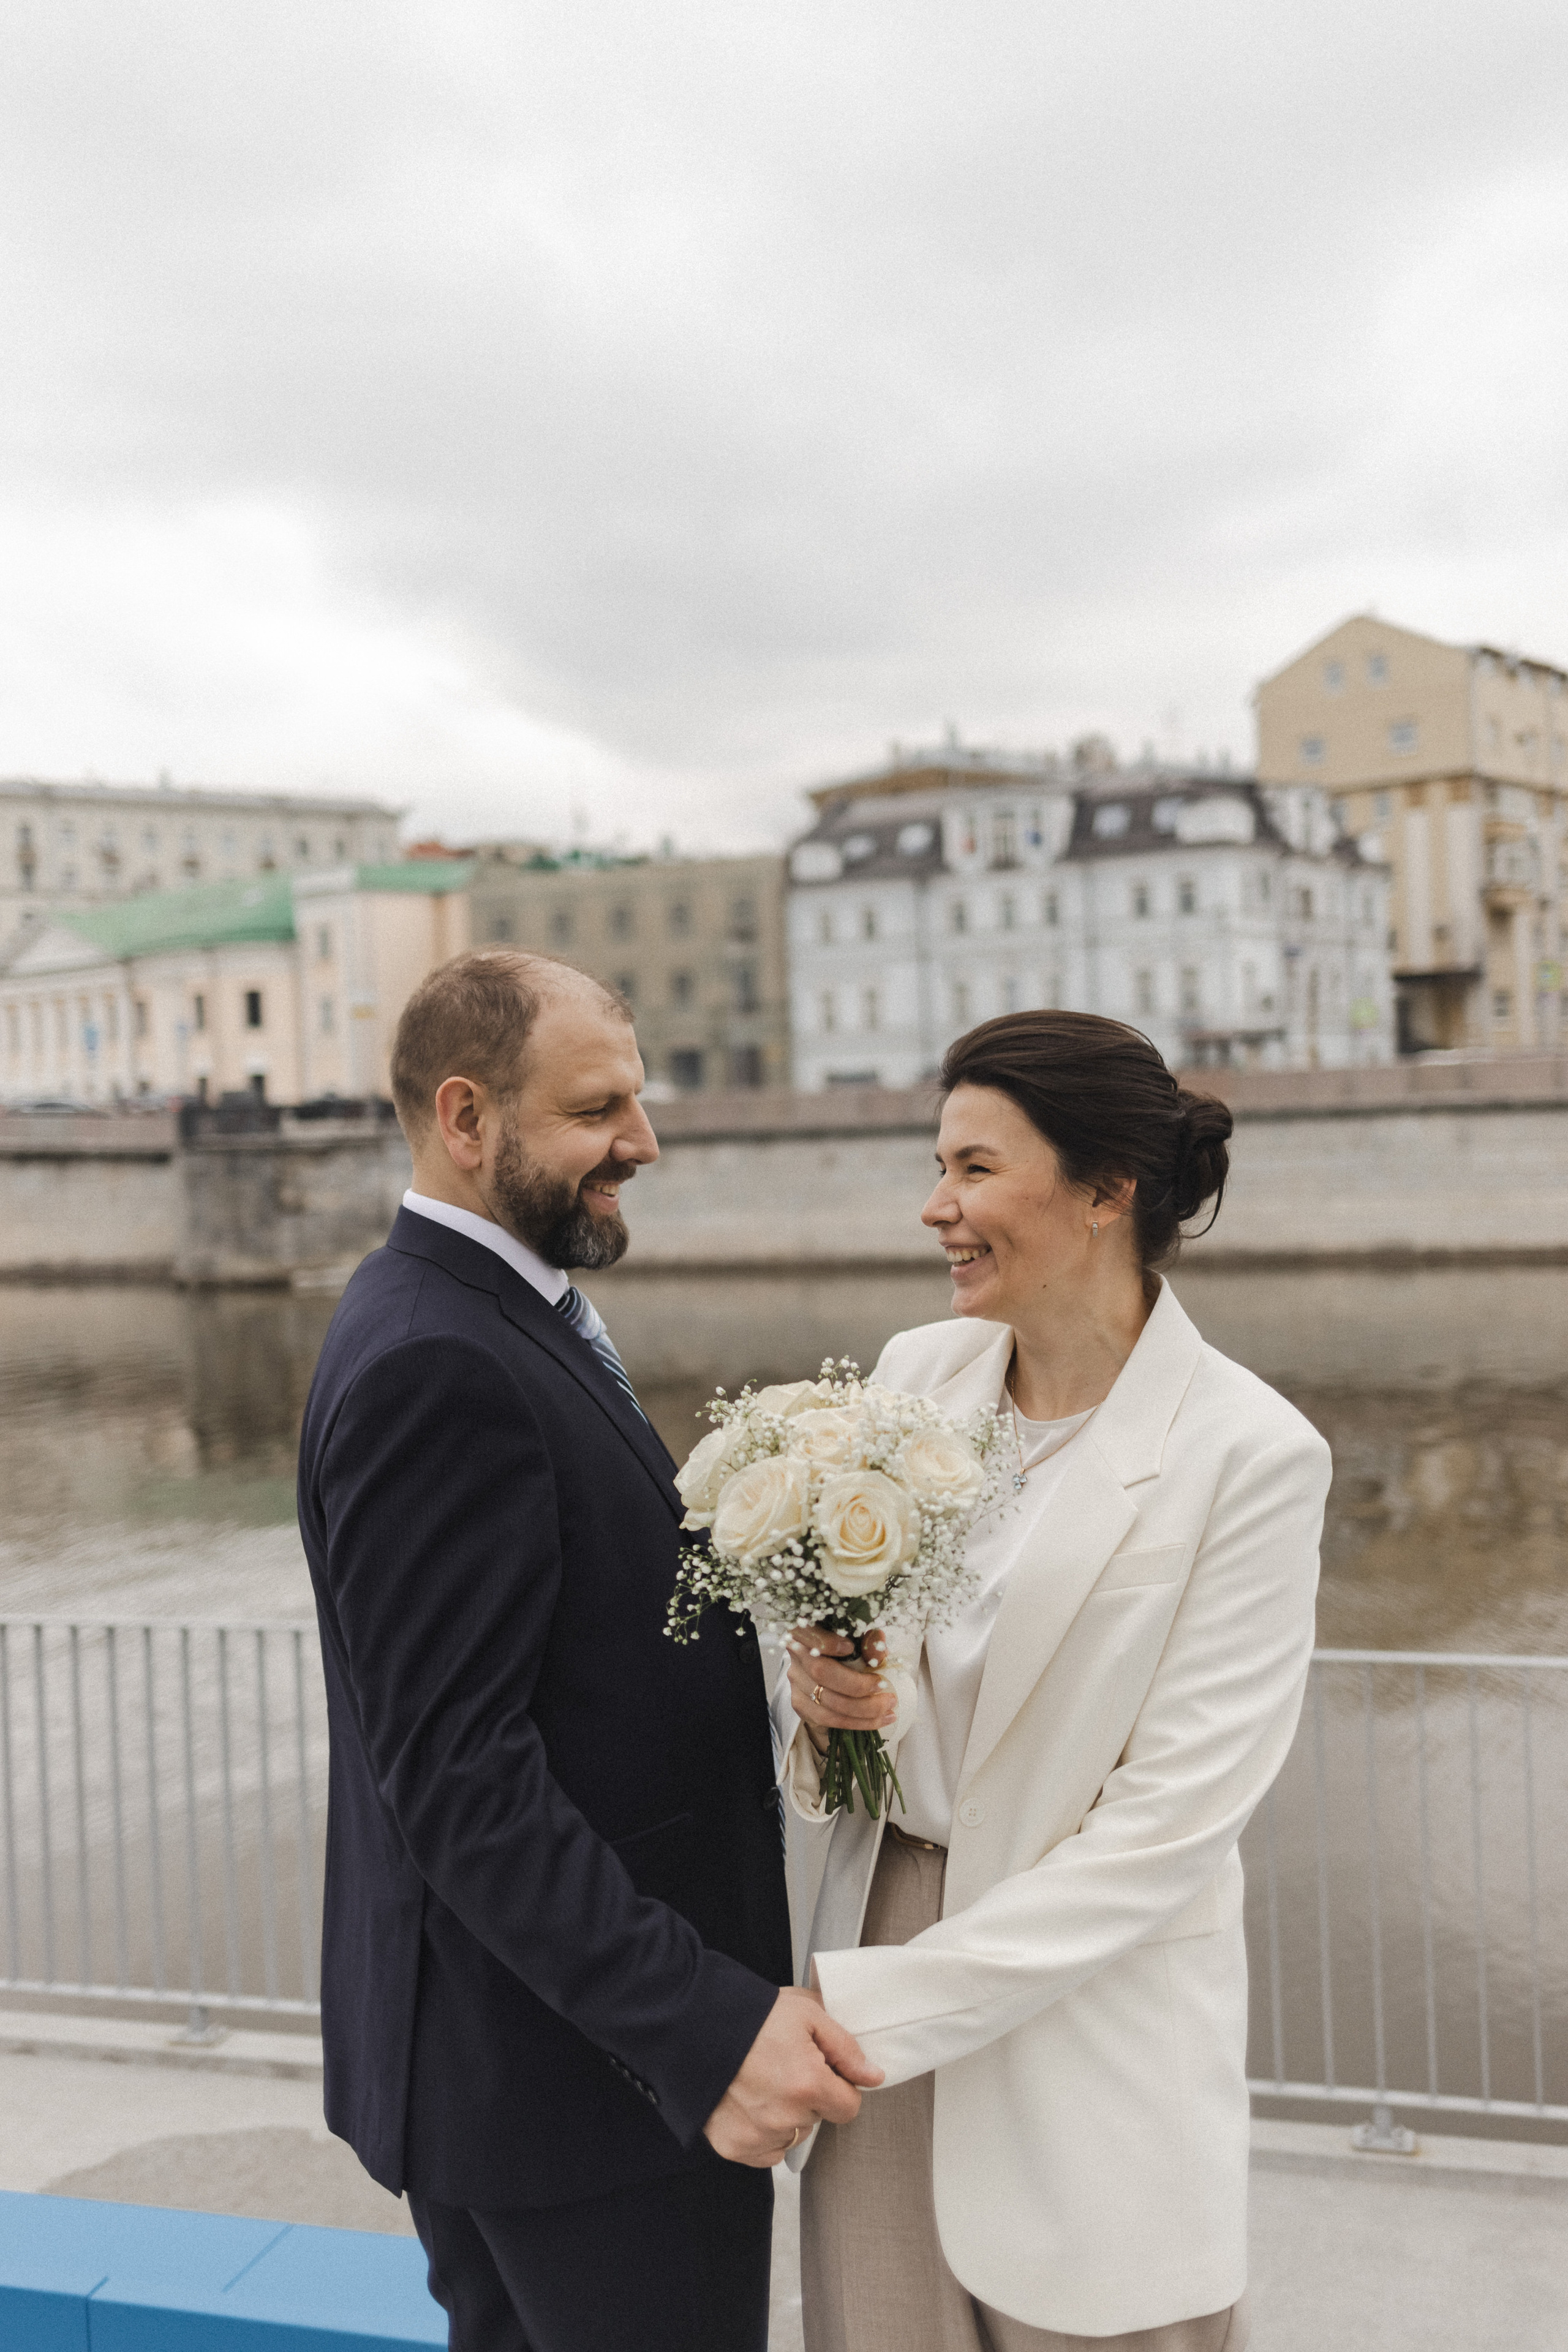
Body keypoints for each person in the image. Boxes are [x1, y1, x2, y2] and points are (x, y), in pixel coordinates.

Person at [297, 948, 880, 2352]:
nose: (643, 1142)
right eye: (596, 1110)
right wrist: (703, 2030)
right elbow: (459, 1782)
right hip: (579, 2100)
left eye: (637, 1098)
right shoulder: (440, 1362)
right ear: (465, 1117)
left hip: (540, 2077)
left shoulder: (484, 1315)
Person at [780, 1010, 1330, 2352]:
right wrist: (821, 1701)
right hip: (884, 1946)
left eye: (972, 1169)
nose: (934, 1208)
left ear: (1102, 1192)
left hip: (1089, 2010)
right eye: (937, 1167)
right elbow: (869, 1692)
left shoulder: (1250, 1455)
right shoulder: (919, 1374)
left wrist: (861, 2010)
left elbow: (1164, 1830)